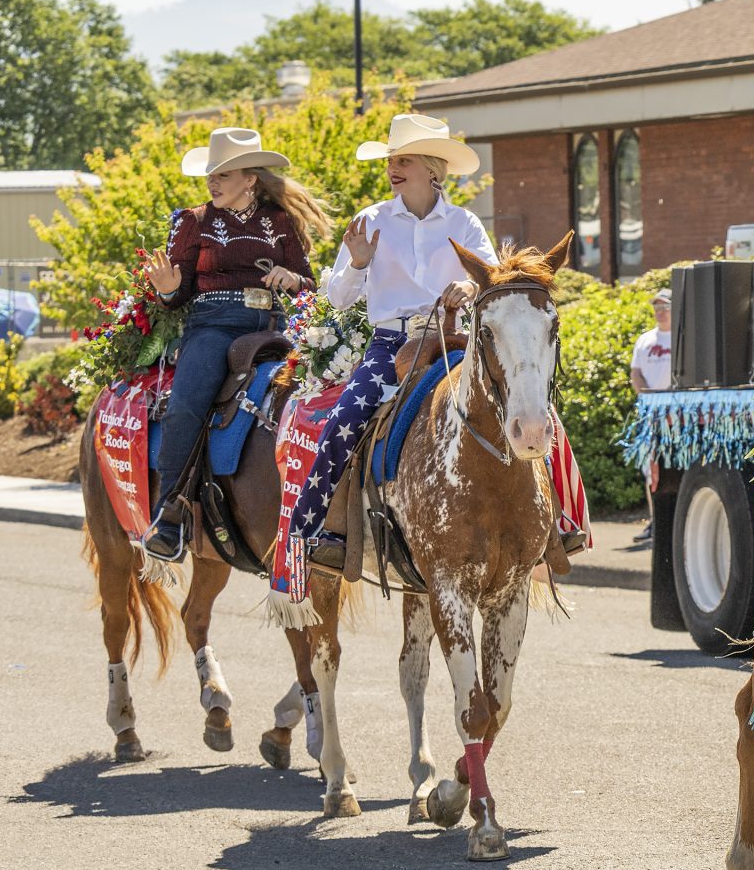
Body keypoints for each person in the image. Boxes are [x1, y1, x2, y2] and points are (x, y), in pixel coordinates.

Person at [286, 114, 493, 566]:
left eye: (404, 159)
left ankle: (556, 525)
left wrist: (472, 288)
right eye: (391, 160)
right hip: (390, 347)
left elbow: (492, 279)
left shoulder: (465, 222)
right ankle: (319, 531)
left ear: (433, 169)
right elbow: (338, 300)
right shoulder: (370, 220)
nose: (392, 168)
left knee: (521, 404)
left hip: (455, 343)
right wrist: (359, 262)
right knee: (345, 419)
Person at [143, 128, 327, 561]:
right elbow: (178, 291)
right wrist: (168, 290)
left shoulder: (280, 221)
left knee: (321, 391)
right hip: (213, 325)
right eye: (212, 174)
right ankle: (171, 514)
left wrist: (292, 278)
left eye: (224, 173)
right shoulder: (194, 221)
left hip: (273, 325)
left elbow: (309, 283)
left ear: (250, 179)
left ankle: (325, 506)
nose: (213, 181)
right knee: (187, 403)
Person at [630, 290, 672, 540]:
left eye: (665, 307)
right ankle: (655, 520)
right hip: (651, 413)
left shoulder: (683, 337)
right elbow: (636, 373)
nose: (660, 311)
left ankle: (669, 521)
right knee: (651, 468)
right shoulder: (645, 340)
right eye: (657, 307)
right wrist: (650, 398)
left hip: (679, 414)